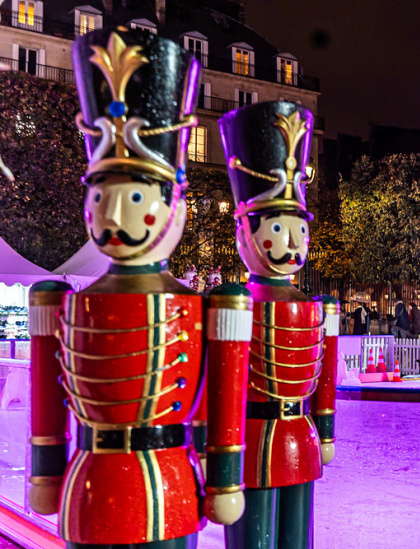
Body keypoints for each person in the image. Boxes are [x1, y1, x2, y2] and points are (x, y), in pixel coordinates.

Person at [30, 28, 250, 547]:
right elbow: (47, 393)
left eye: (134, 198)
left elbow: (220, 394)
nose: (113, 215)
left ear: (175, 205)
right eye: (105, 196)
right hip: (93, 480)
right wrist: (44, 469)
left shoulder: (201, 303)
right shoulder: (60, 301)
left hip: (168, 481)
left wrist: (224, 473)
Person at [221, 100, 334, 547]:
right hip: (252, 439)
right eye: (277, 229)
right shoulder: (233, 303)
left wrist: (323, 428)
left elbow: (321, 372)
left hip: (299, 436)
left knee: (296, 534)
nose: (291, 244)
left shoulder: (315, 304)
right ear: (244, 231)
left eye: (299, 230)